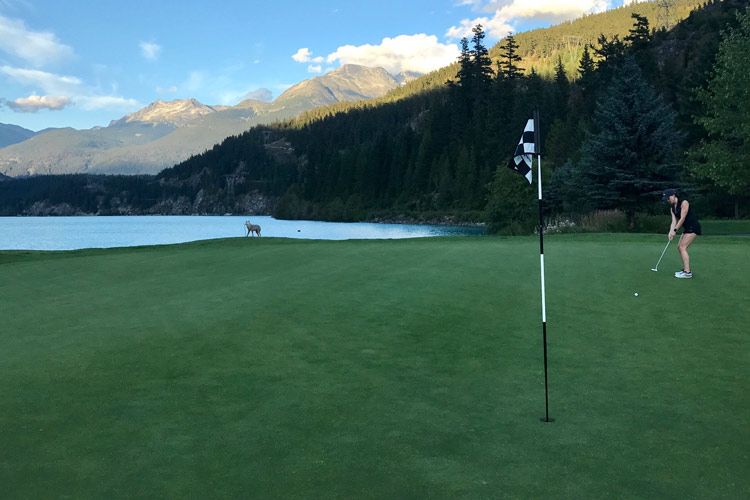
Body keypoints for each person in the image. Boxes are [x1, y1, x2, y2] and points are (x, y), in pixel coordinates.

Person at [662, 188, 701, 278]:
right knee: (679, 247)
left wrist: (675, 231)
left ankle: (687, 273)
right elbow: (674, 222)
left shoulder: (684, 203)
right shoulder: (672, 209)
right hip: (687, 228)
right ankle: (685, 270)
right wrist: (670, 232)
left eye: (668, 198)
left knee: (682, 247)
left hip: (693, 226)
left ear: (673, 195)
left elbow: (682, 218)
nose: (668, 200)